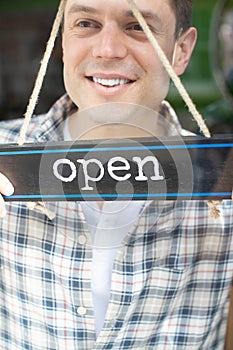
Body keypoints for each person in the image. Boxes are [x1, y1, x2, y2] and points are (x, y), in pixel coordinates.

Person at [0, 0, 232, 349]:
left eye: (137, 26)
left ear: (181, 51)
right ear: (62, 41)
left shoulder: (223, 179)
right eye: (87, 24)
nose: (107, 50)